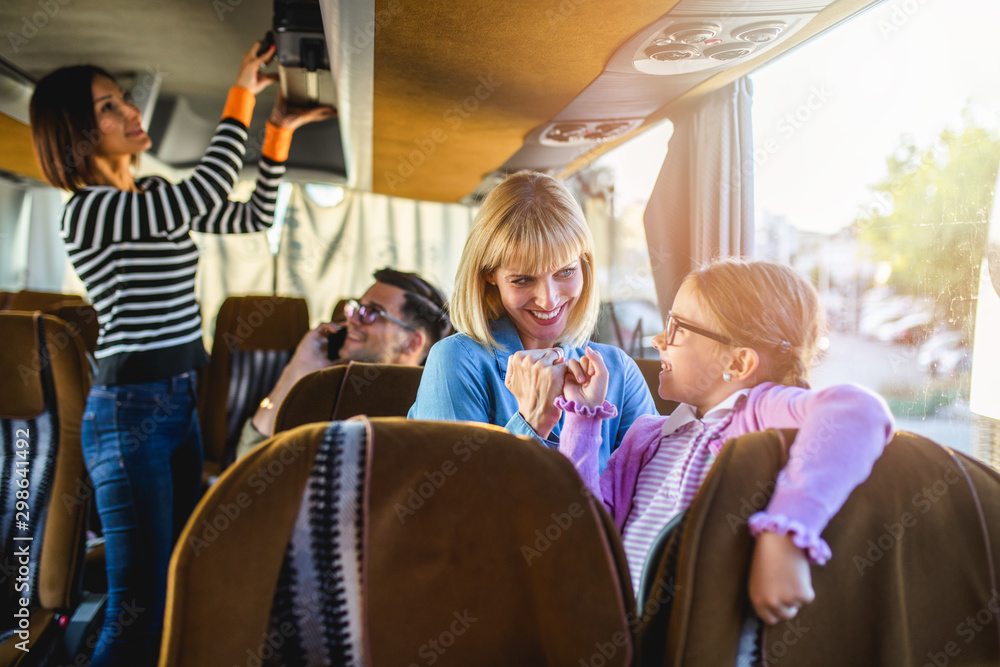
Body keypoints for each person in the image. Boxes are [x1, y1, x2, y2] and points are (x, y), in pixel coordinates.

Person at [29, 43, 332, 666]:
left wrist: (274, 135)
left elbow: (251, 215)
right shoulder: (92, 212)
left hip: (177, 403)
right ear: (78, 133)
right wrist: (242, 91)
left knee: (173, 583)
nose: (130, 111)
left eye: (122, 98)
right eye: (109, 107)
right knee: (135, 609)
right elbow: (213, 183)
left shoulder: (150, 200)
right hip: (128, 416)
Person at [555, 258, 894, 627]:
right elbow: (585, 531)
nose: (658, 341)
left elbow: (857, 410)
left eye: (677, 327)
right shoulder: (646, 437)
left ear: (738, 362)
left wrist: (786, 535)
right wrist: (582, 417)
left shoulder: (757, 414)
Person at [408, 170, 656, 470]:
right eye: (523, 280)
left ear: (584, 265)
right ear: (490, 276)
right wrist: (530, 424)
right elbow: (456, 504)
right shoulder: (456, 361)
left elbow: (650, 500)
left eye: (565, 272)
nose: (549, 300)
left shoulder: (619, 372)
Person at [237, 267, 451, 456]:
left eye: (373, 313)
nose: (352, 319)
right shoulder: (325, 384)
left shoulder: (432, 411)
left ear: (412, 343)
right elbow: (250, 458)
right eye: (357, 308)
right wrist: (298, 367)